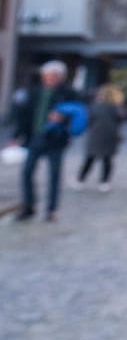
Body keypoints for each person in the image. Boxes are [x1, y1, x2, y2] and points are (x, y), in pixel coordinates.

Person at [8, 61, 82, 222]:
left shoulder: (68, 93)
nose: (48, 79)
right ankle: (29, 206)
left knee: (54, 174)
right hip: (36, 137)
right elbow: (24, 115)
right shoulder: (35, 91)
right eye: (46, 76)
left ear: (60, 77)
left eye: (52, 76)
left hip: (56, 140)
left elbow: (78, 114)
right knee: (27, 171)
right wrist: (16, 136)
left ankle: (51, 209)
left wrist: (63, 119)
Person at [78, 83, 125, 192]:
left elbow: (89, 120)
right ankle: (104, 182)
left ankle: (81, 179)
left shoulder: (94, 106)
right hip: (110, 135)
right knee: (107, 160)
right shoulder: (116, 108)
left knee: (89, 159)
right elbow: (120, 120)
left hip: (96, 135)